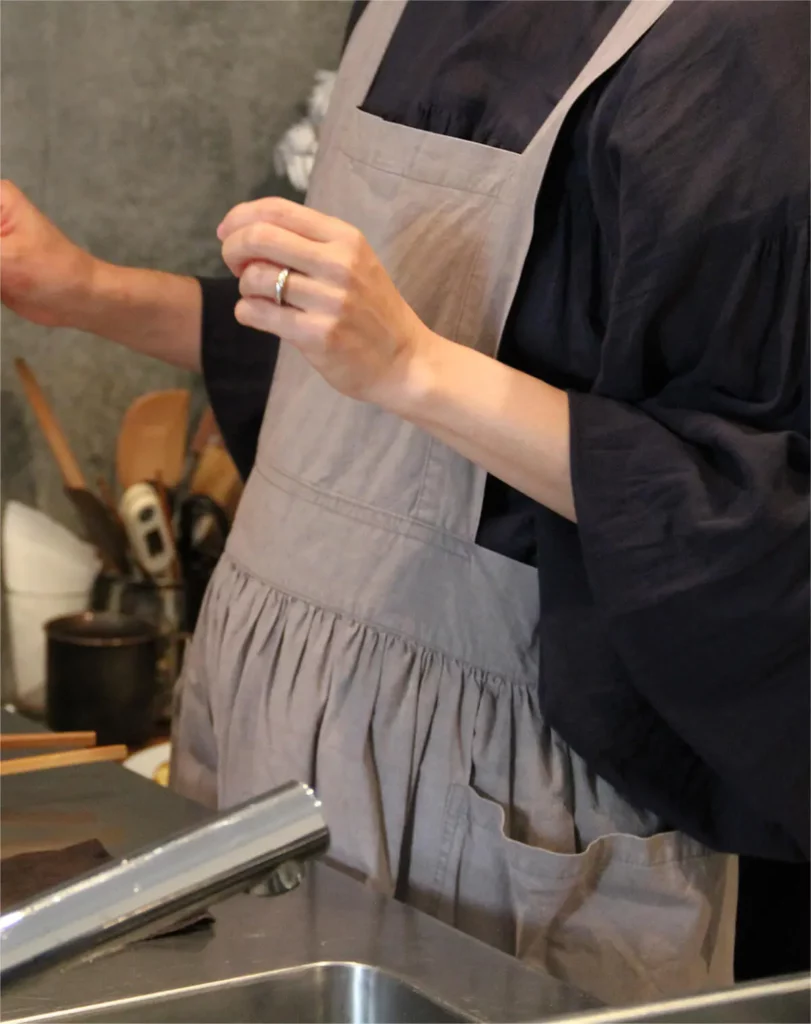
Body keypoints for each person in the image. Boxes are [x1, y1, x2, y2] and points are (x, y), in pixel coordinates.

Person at [2, 0, 808, 1007]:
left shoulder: (734, 51)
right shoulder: (391, 9)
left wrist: (415, 368)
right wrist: (80, 290)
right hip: (253, 715)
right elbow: (343, 367)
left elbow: (747, 518)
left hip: (486, 797)